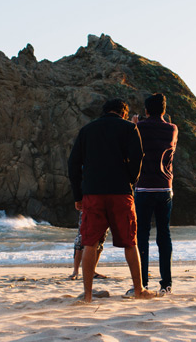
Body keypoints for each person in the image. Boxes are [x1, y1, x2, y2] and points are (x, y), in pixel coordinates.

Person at [68, 98, 155, 303]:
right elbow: (138, 158)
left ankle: (88, 295)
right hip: (120, 192)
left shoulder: (87, 130)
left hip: (92, 193)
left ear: (104, 111)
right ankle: (139, 290)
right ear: (123, 113)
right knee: (130, 242)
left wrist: (77, 195)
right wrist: (130, 181)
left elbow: (73, 164)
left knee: (90, 243)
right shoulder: (129, 128)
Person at [132, 93, 179, 296]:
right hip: (165, 187)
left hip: (143, 187)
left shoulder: (139, 127)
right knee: (164, 235)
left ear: (146, 110)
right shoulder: (172, 129)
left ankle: (142, 282)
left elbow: (133, 148)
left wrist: (134, 124)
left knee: (142, 235)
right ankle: (166, 284)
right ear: (164, 110)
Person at [67, 211, 106, 280]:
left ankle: (92, 271)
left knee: (100, 241)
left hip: (104, 210)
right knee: (80, 240)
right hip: (88, 208)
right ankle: (75, 271)